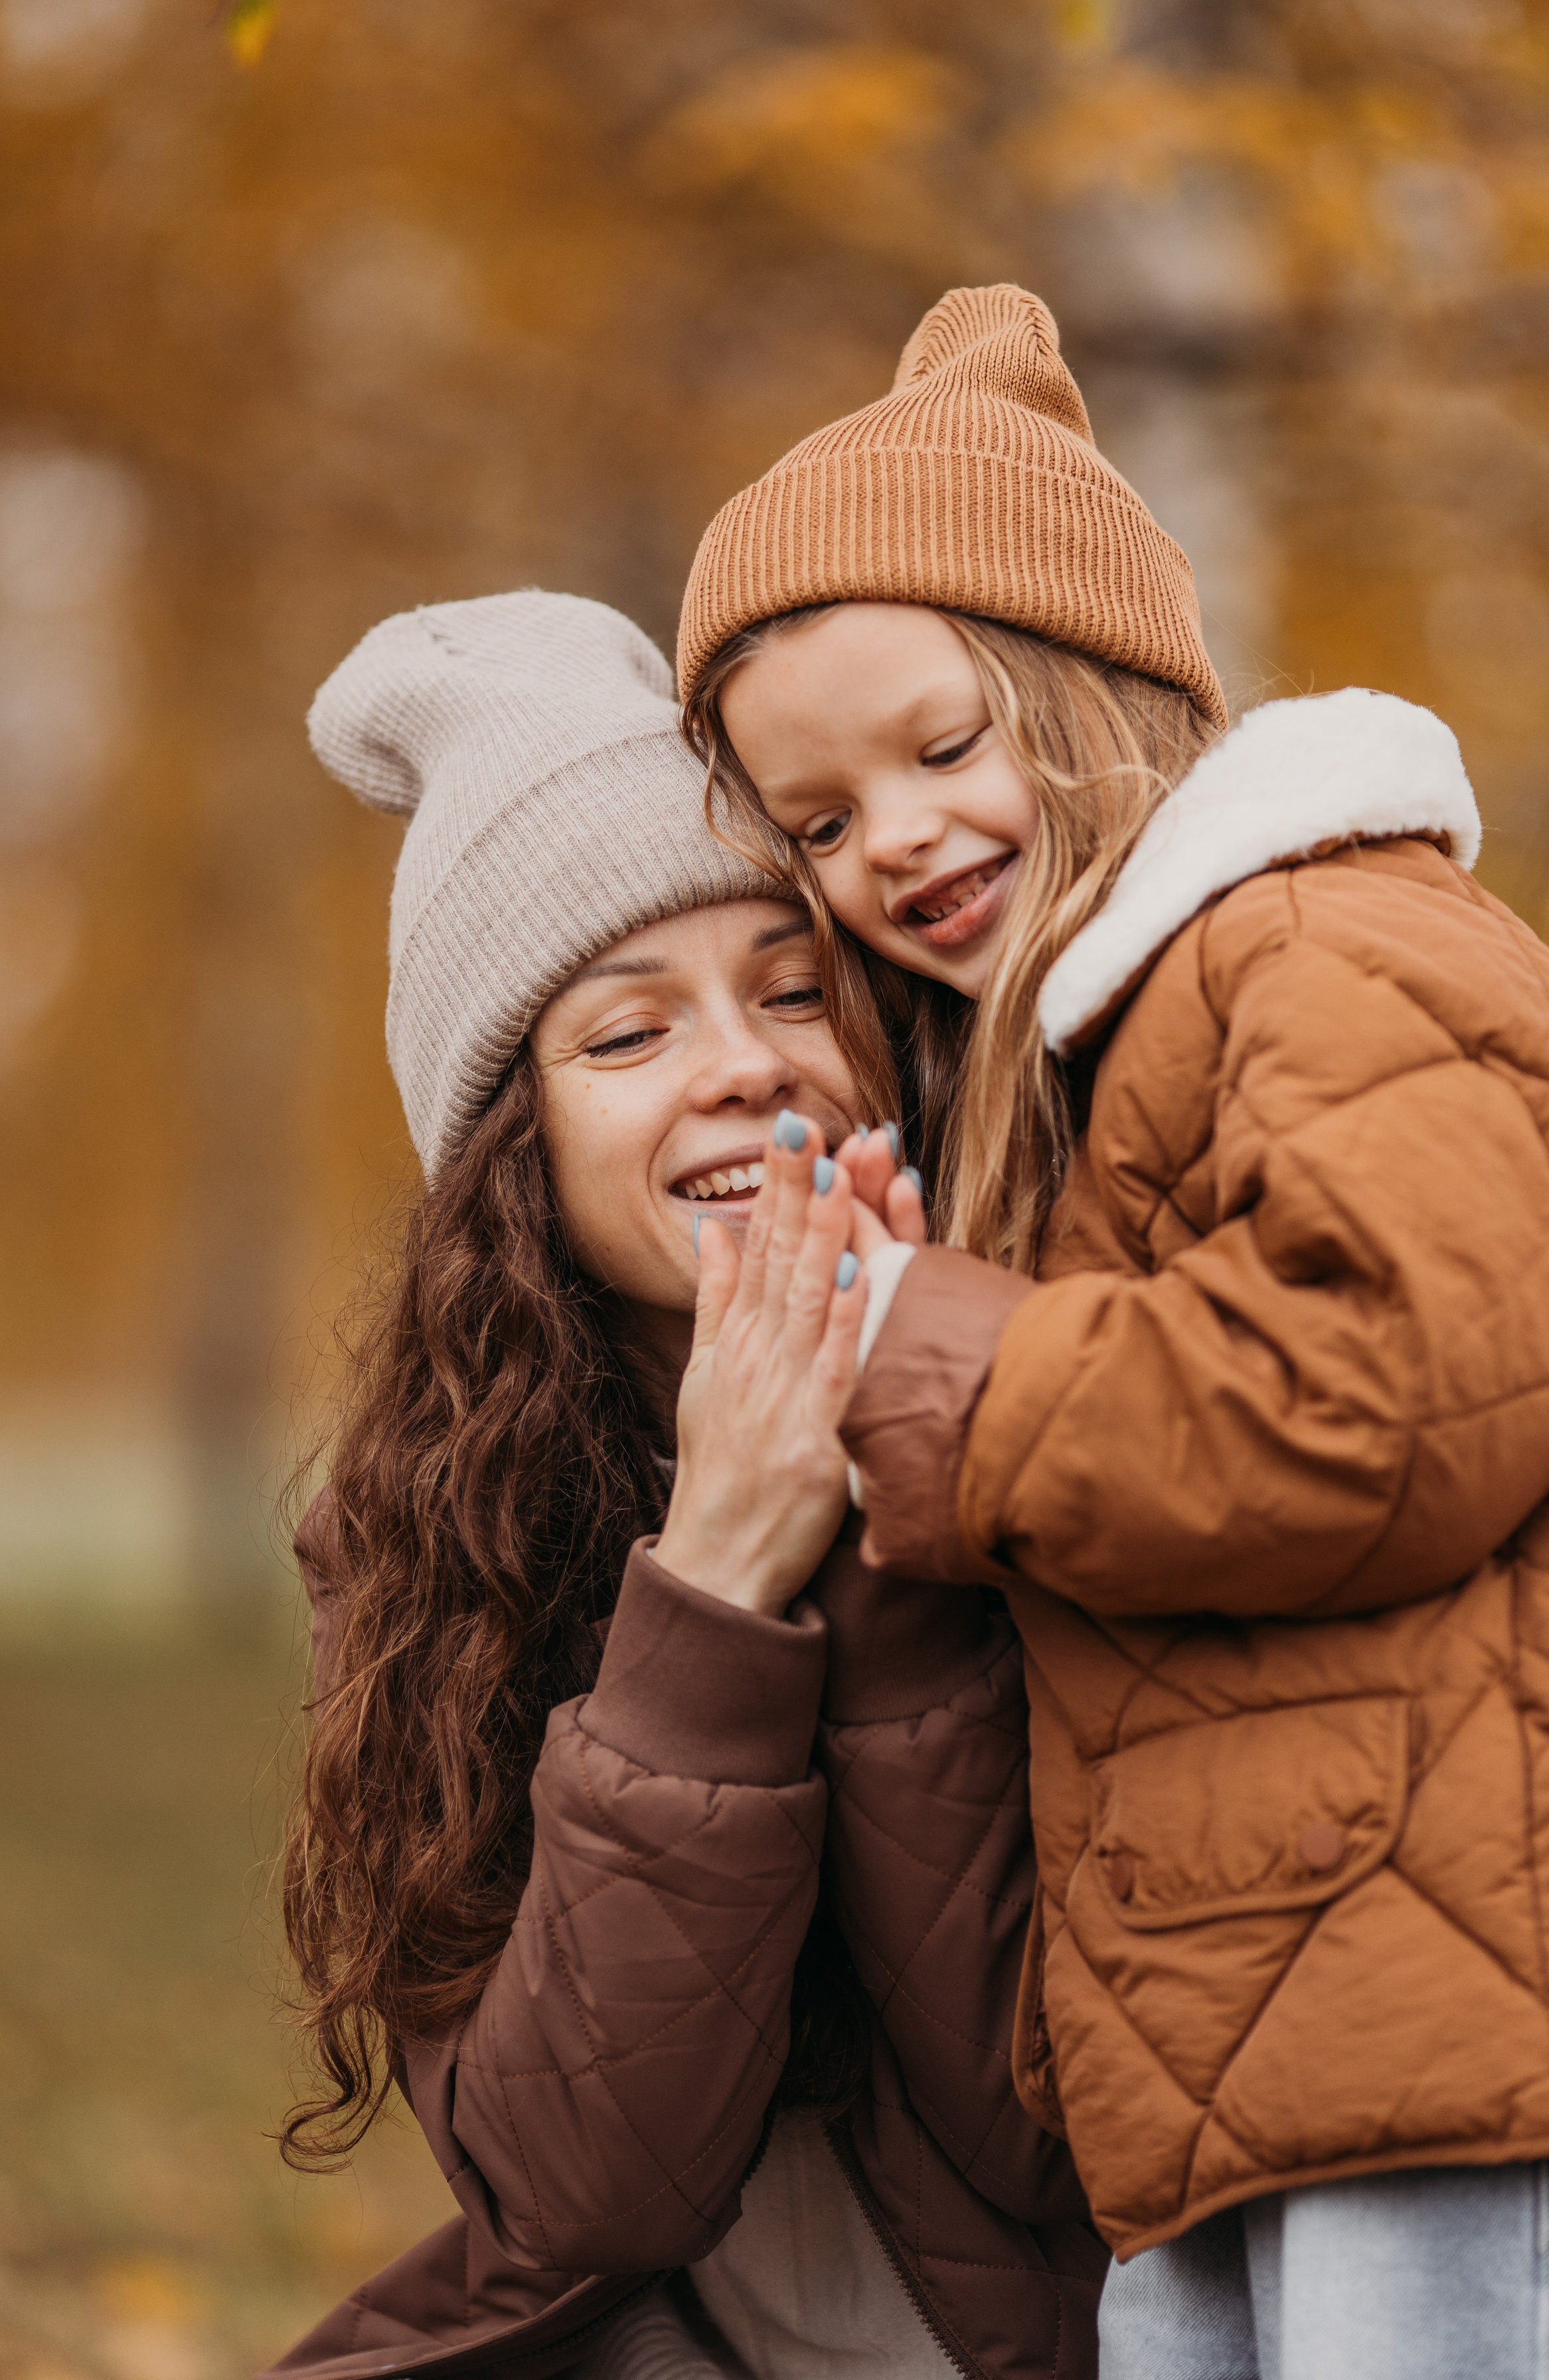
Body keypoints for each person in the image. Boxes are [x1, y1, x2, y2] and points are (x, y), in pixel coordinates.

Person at [672, 284, 1549, 2379]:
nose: (899, 843)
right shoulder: (1117, 1056)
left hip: (1483, 2059)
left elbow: (1401, 1397)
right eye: (820, 820)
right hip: (1300, 2054)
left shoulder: (1321, 941)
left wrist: (932, 1361)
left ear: (1101, 681)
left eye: (943, 747)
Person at [263, 591, 1105, 2380]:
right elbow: (577, 2198)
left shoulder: (1083, 1369)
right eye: (626, 1037)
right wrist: (717, 1584)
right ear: (522, 1152)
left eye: (795, 990)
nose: (741, 1068)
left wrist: (878, 1572)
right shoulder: (429, 1530)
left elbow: (1062, 2134)